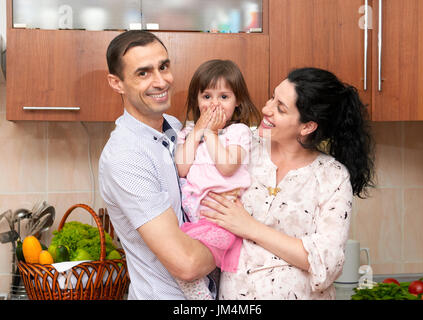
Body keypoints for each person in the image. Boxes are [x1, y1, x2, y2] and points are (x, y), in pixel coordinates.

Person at [201, 67, 375, 299]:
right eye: (272, 97)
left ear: (307, 126)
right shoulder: (240, 146)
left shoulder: (332, 176)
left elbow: (326, 262)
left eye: (280, 108)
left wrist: (249, 227)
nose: (266, 109)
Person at [98, 30, 216, 300]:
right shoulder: (126, 157)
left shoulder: (174, 127)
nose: (161, 81)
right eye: (143, 73)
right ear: (116, 83)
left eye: (164, 67)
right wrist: (239, 240)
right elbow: (185, 263)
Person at [174, 59, 261, 299]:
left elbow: (227, 167)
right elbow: (181, 168)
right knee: (185, 263)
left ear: (237, 102)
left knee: (183, 265)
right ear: (196, 100)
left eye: (224, 97)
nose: (215, 104)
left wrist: (211, 133)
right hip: (198, 220)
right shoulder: (188, 132)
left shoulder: (238, 132)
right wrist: (198, 131)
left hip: (222, 220)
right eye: (207, 97)